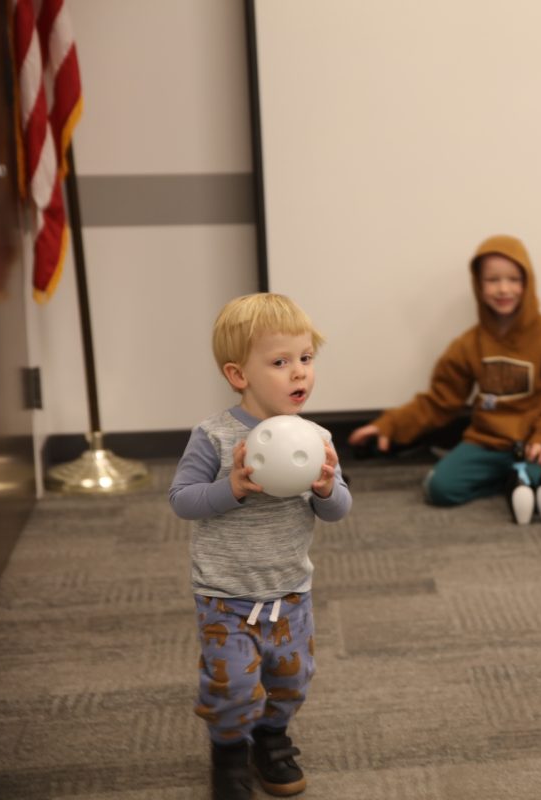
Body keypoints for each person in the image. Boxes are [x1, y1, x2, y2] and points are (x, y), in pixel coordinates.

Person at [169, 293, 352, 800]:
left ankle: (271, 738)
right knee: (232, 688)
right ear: (238, 374)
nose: (299, 374)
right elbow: (182, 500)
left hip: (290, 592)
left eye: (306, 359)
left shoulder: (315, 436)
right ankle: (229, 752)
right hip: (225, 595)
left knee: (292, 680)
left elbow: (339, 510)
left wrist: (324, 488)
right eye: (280, 362)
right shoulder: (214, 436)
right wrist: (234, 488)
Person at [349, 234, 541, 522]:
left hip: (535, 443)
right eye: (492, 280)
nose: (504, 288)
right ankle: (512, 482)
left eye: (513, 279)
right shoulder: (468, 344)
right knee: (438, 489)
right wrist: (390, 425)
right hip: (486, 442)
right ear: (478, 285)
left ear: (527, 283)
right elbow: (439, 400)